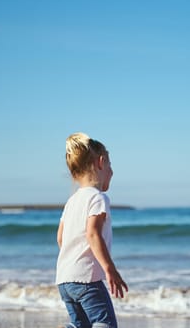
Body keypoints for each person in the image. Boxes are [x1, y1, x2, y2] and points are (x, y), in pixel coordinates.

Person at [56, 132, 128, 328]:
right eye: (110, 166)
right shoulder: (98, 198)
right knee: (105, 324)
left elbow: (61, 238)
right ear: (101, 162)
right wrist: (109, 268)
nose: (112, 171)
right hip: (87, 280)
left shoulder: (71, 202)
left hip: (64, 279)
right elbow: (93, 234)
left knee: (81, 325)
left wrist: (73, 258)